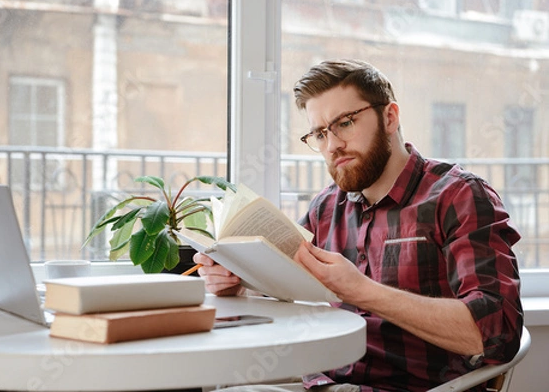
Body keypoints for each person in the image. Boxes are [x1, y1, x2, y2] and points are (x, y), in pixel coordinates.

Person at [193, 59, 523, 392]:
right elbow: (286, 280)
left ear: (390, 117)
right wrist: (240, 284)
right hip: (326, 383)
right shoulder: (326, 207)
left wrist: (362, 290)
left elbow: (497, 334)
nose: (332, 145)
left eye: (345, 123)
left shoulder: (458, 195)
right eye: (320, 134)